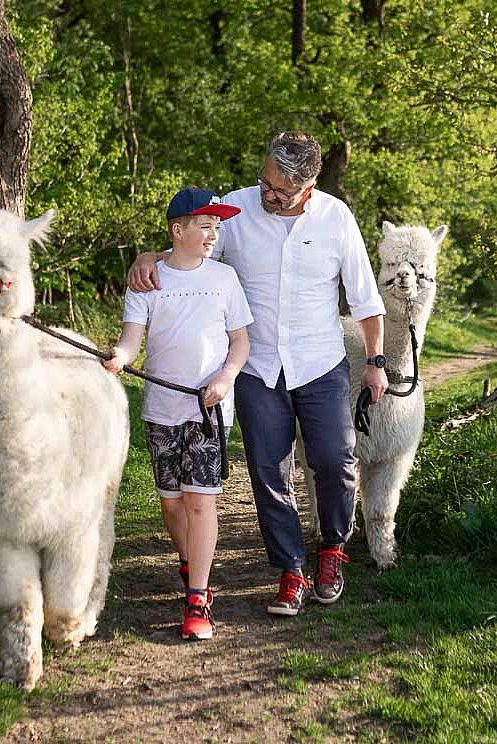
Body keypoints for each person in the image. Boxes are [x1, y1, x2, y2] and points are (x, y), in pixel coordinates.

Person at [128, 133, 387, 617]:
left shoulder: (336, 218)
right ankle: (291, 569)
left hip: (319, 361)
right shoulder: (238, 208)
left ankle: (332, 549)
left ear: (307, 187)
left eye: (280, 190)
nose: (267, 194)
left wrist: (375, 362)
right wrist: (150, 258)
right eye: (264, 182)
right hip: (257, 365)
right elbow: (193, 253)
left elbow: (364, 297)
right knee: (268, 471)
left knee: (335, 459)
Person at [104, 187, 252, 641]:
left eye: (216, 227)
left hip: (209, 410)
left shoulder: (225, 278)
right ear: (178, 230)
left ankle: (198, 597)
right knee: (172, 503)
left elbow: (240, 342)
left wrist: (226, 378)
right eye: (205, 226)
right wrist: (118, 357)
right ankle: (190, 562)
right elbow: (131, 340)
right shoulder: (148, 281)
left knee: (200, 500)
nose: (213, 234)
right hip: (161, 409)